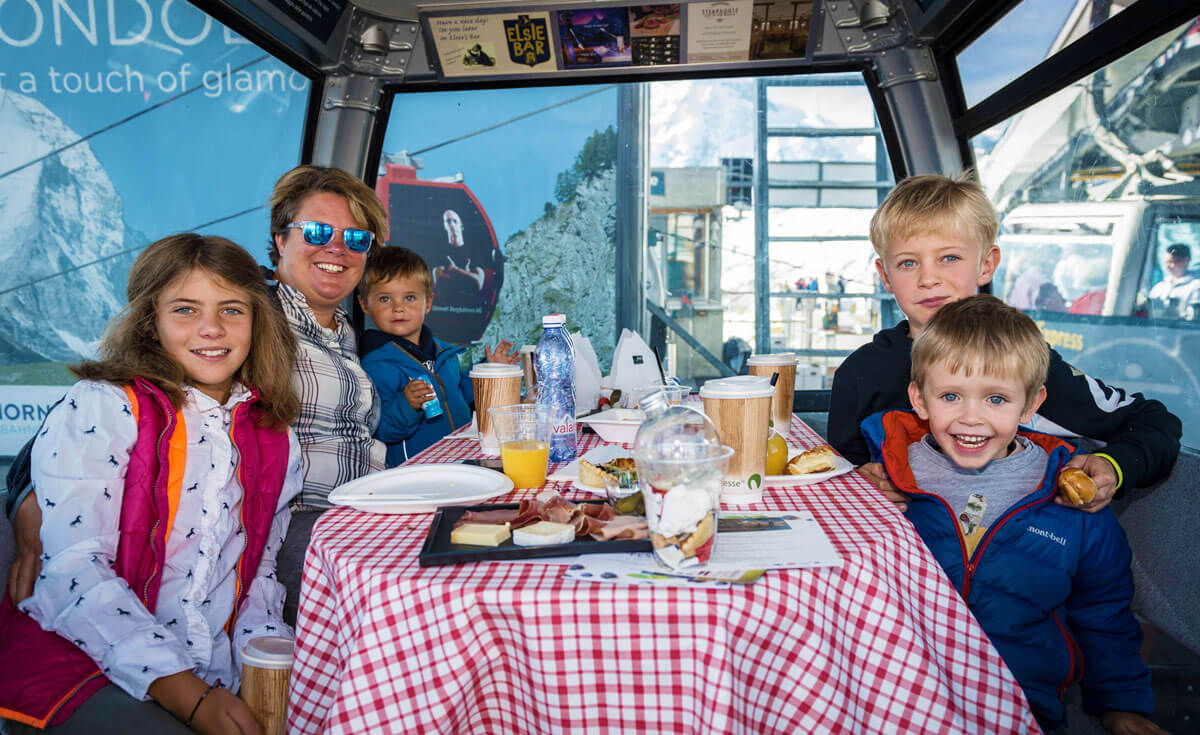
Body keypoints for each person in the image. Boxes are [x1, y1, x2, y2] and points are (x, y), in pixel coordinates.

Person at [8, 165, 389, 626]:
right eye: (318, 231)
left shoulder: (345, 333)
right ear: (281, 239)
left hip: (359, 513)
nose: (337, 248)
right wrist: (28, 506)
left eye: (357, 239)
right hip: (294, 526)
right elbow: (89, 412)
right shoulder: (246, 320)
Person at [0, 235, 303, 734]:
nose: (211, 328)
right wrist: (190, 696)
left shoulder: (275, 437)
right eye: (185, 309)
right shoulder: (103, 407)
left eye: (232, 309)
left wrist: (268, 673)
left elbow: (258, 579)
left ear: (256, 320)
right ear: (151, 322)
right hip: (80, 659)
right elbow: (76, 570)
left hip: (209, 667)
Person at [859, 296, 1163, 735]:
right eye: (950, 396)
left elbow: (1103, 613)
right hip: (897, 699)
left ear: (1029, 406)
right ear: (919, 400)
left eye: (996, 399)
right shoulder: (882, 480)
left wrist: (1122, 707)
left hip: (1024, 704)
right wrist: (855, 495)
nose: (971, 418)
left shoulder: (1073, 501)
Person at [829, 173, 1181, 513]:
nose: (928, 278)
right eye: (908, 263)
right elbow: (834, 473)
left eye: (949, 258)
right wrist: (858, 484)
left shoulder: (1026, 363)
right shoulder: (860, 374)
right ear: (885, 276)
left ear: (986, 265)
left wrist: (1112, 465)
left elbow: (1153, 422)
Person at [357, 246, 518, 465]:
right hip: (418, 478)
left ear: (429, 302)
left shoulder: (443, 352)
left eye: (410, 298)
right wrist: (407, 405)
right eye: (385, 299)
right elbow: (380, 431)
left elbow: (462, 395)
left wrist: (489, 371)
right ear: (365, 304)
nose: (398, 308)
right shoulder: (376, 365)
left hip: (463, 465)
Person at [1146, 243, 1200, 319]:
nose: (1167, 267)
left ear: (1186, 260)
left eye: (1172, 262)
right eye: (1166, 262)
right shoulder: (1159, 287)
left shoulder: (1196, 286)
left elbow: (1194, 317)